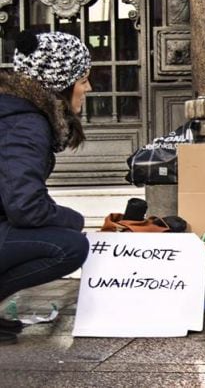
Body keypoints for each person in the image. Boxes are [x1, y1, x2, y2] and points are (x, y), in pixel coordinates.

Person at [0, 31, 93, 345]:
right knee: (70, 246)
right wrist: (75, 220)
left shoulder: (13, 112)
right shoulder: (24, 123)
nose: (88, 88)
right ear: (61, 84)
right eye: (83, 79)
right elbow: (24, 206)